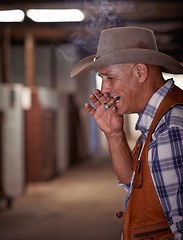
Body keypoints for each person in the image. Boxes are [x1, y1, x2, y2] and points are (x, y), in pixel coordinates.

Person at [70, 27, 183, 239]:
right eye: (101, 78)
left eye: (110, 77)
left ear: (140, 72)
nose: (104, 88)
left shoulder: (170, 127)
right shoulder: (157, 118)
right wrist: (114, 135)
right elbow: (137, 185)